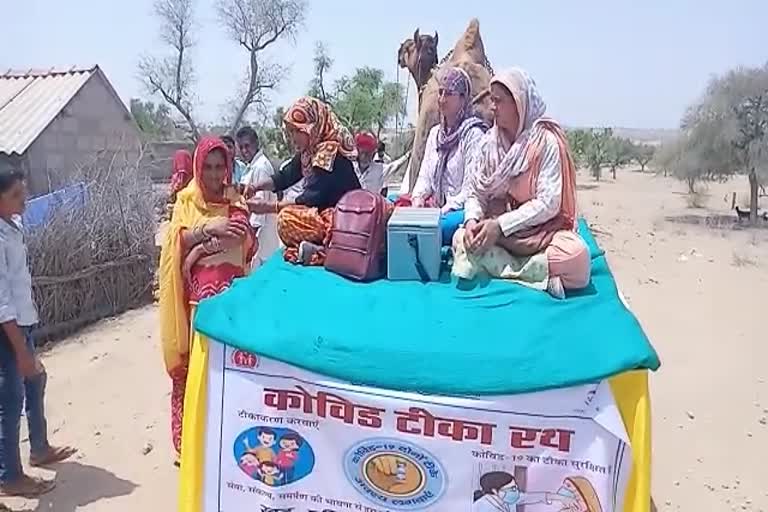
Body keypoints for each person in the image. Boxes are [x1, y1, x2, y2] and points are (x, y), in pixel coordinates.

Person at [159, 136, 256, 465]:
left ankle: (224, 439)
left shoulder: (233, 196)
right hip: (198, 305)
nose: (215, 175)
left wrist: (198, 250)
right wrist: (205, 230)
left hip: (232, 304)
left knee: (228, 373)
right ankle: (188, 443)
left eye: (220, 167)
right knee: (197, 374)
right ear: (199, 167)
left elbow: (241, 233)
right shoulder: (187, 200)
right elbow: (177, 238)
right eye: (208, 167)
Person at [459, 68, 591, 299]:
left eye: (499, 101)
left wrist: (500, 226)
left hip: (541, 232)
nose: (493, 108)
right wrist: (472, 222)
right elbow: (475, 192)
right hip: (498, 232)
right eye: (492, 101)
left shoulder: (545, 143)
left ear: (519, 103)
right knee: (460, 239)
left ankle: (507, 268)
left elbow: (549, 204)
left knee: (577, 258)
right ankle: (537, 274)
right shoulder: (489, 145)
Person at [0, 170, 77, 498]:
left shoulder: (12, 229)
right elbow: (1, 301)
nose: (24, 199)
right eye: (17, 194)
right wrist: (20, 349)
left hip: (22, 323)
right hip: (7, 330)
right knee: (11, 399)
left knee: (36, 379)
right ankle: (9, 476)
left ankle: (39, 447)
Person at [246, 97, 361, 265]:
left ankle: (325, 250)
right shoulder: (310, 152)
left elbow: (309, 199)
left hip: (344, 218)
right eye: (290, 132)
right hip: (326, 215)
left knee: (286, 219)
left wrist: (269, 207)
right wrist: (254, 187)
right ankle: (318, 249)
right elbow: (285, 176)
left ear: (311, 128)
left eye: (296, 131)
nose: (292, 138)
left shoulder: (328, 153)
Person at [409, 67, 486, 245]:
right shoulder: (436, 134)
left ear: (462, 98)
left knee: (436, 228)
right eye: (440, 93)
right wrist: (418, 199)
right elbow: (425, 177)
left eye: (449, 94)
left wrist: (442, 211)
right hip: (435, 207)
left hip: (457, 210)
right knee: (393, 215)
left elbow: (470, 190)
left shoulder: (473, 135)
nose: (442, 99)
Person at [236, 126, 280, 268]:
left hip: (261, 241)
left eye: (247, 146)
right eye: (241, 147)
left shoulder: (261, 168)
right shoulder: (252, 167)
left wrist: (248, 244)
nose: (244, 151)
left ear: (256, 144)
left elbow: (258, 214)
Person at [471, 472, 573, 512]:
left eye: (515, 487)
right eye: (511, 489)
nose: (516, 491)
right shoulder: (483, 507)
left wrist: (561, 498)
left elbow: (531, 497)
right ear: (494, 491)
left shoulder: (506, 498)